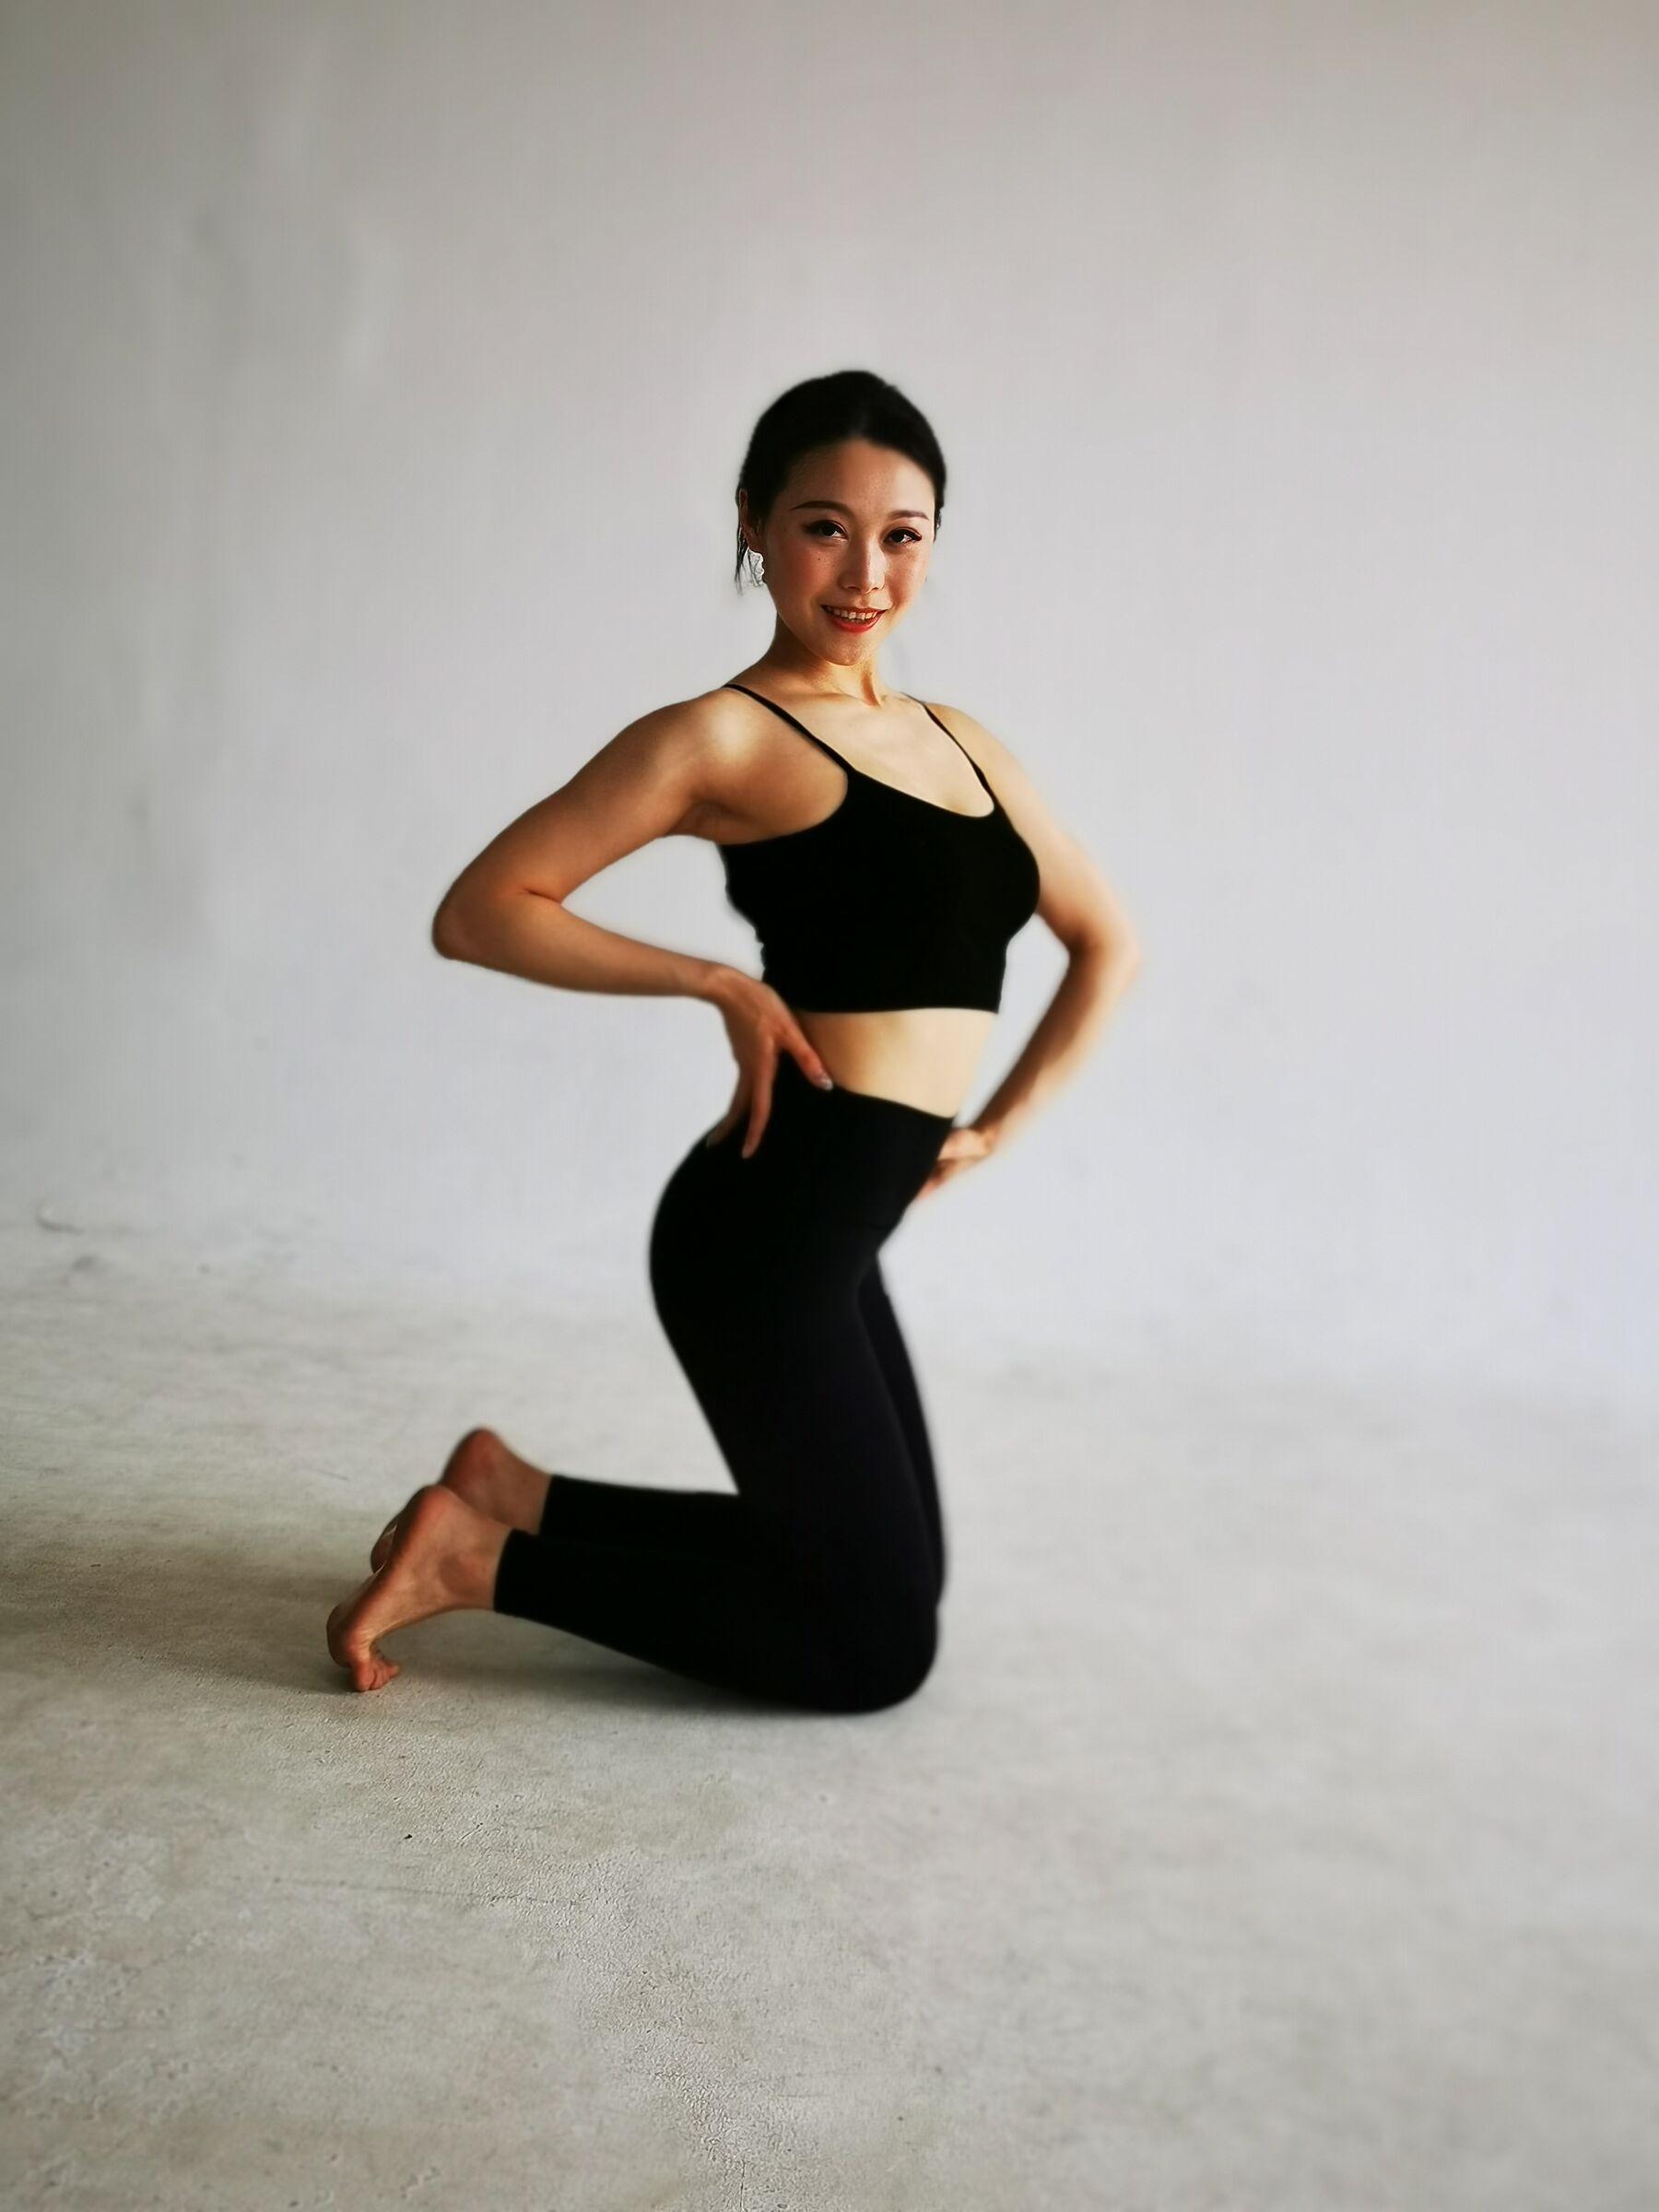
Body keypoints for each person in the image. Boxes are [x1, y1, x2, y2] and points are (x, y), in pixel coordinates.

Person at [326, 369, 1142, 1711]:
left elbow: (1106, 939)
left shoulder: (964, 743)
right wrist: (714, 983)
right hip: (762, 1238)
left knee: (898, 1580)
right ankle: (474, 1562)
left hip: (841, 1232)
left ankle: (513, 1495)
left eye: (902, 535)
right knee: (876, 1649)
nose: (866, 573)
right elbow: (481, 911)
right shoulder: (722, 736)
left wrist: (995, 1126)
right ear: (756, 524)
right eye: (826, 528)